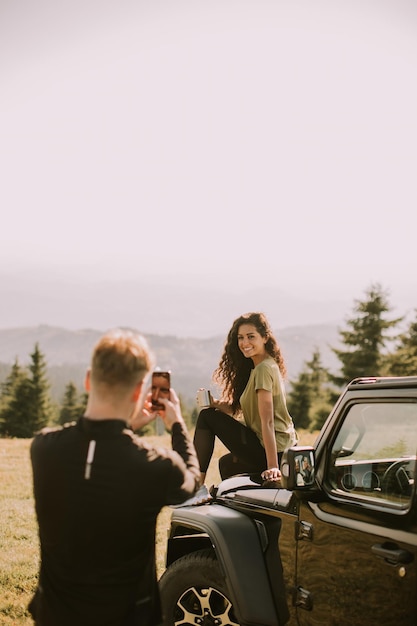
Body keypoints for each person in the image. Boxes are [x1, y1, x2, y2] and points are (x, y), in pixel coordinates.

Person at [28, 328, 200, 626]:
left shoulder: (43, 448)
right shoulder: (154, 466)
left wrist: (126, 426)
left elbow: (96, 456)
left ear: (87, 379)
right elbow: (192, 482)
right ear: (138, 392)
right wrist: (178, 426)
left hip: (55, 616)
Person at [193, 312, 298, 497]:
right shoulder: (258, 367)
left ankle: (195, 489)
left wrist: (273, 467)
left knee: (206, 417)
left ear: (265, 337)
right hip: (275, 447)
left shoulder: (264, 369)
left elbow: (268, 422)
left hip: (276, 451)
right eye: (240, 338)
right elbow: (238, 409)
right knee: (227, 464)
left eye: (251, 337)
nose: (244, 343)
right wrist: (215, 403)